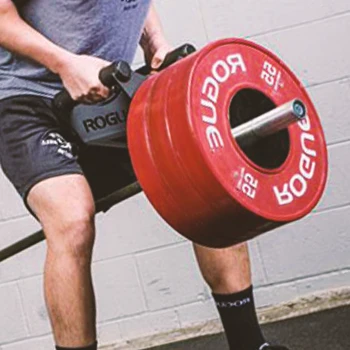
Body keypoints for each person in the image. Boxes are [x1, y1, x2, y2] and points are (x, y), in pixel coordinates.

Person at [0, 1, 289, 349]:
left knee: (199, 168)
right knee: (71, 221)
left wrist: (155, 42)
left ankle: (248, 344)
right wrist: (64, 64)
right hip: (27, 101)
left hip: (104, 89)